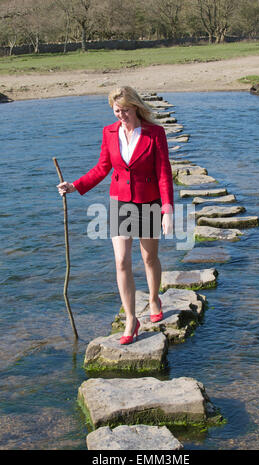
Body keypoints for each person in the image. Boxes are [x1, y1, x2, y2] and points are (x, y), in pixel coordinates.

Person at [57, 86, 174, 345]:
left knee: (149, 257)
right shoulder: (109, 132)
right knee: (121, 261)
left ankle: (154, 298)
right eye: (116, 111)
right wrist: (75, 185)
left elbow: (164, 173)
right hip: (120, 202)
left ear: (136, 107)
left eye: (124, 110)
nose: (120, 115)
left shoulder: (155, 133)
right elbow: (102, 167)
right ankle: (132, 319)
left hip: (149, 201)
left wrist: (167, 209)